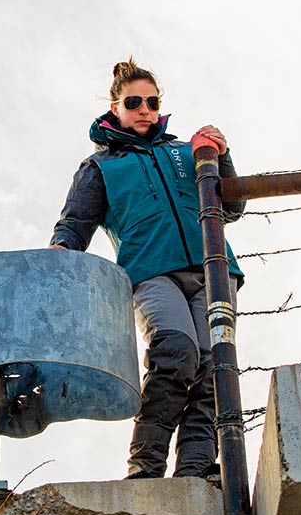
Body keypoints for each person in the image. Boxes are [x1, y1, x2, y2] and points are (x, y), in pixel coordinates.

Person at [50, 58, 245, 480]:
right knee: (176, 353)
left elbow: (231, 207)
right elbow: (75, 224)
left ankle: (196, 469)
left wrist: (220, 156)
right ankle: (146, 467)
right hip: (152, 273)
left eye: (152, 102)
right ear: (115, 107)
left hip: (213, 270)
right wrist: (61, 250)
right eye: (133, 101)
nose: (144, 109)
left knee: (215, 367)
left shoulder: (186, 150)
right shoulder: (100, 167)